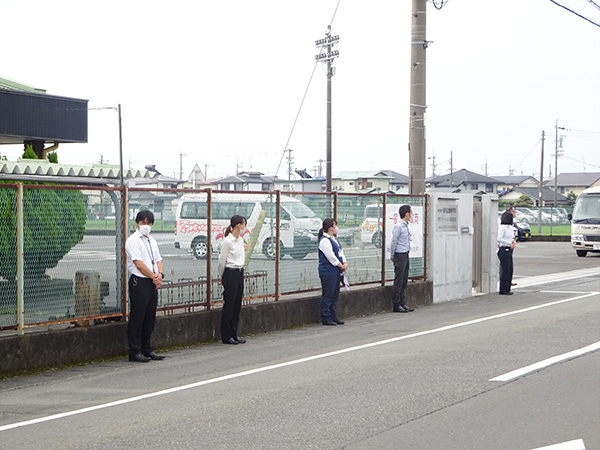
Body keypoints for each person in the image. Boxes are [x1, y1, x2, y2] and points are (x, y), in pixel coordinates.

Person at [125, 210, 165, 362]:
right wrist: (154, 276)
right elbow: (138, 264)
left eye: (149, 223)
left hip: (152, 282)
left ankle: (147, 349)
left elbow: (158, 259)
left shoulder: (152, 240)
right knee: (138, 317)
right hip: (140, 281)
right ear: (137, 223)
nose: (146, 226)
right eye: (143, 223)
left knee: (150, 318)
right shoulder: (133, 240)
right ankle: (134, 351)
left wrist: (160, 274)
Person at [218, 215, 247, 345]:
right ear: (237, 225)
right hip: (230, 272)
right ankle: (226, 335)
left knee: (237, 305)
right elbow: (222, 260)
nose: (244, 227)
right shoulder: (227, 241)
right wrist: (222, 276)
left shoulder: (240, 240)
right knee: (229, 305)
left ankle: (234, 333)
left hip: (239, 272)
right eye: (243, 224)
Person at [318, 218, 347, 326]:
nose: (336, 228)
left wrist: (344, 262)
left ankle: (334, 316)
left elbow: (340, 252)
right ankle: (326, 317)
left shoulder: (334, 239)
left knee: (335, 294)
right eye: (335, 226)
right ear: (330, 228)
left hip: (336, 271)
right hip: (328, 271)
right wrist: (340, 265)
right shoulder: (324, 240)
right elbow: (331, 256)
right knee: (328, 294)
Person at [389, 204, 414, 313]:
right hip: (399, 255)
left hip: (405, 253)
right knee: (398, 281)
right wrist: (392, 255)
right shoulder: (399, 226)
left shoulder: (405, 226)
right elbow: (393, 241)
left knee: (404, 280)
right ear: (406, 214)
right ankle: (396, 304)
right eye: (411, 212)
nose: (412, 214)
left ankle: (402, 303)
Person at [497, 210, 517, 295]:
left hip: (509, 249)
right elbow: (499, 238)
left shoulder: (510, 227)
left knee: (509, 269)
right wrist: (509, 243)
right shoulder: (503, 228)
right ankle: (503, 289)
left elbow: (512, 237)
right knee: (505, 270)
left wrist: (513, 241)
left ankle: (507, 288)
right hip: (503, 249)